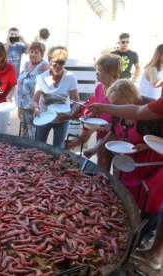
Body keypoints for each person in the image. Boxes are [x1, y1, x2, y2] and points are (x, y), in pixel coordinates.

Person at [88, 92, 163, 271]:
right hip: (137, 167)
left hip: (151, 168)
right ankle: (154, 254)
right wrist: (103, 106)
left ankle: (152, 251)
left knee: (155, 204)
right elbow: (137, 111)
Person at [67, 54, 123, 170]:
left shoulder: (120, 92)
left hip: (117, 140)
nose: (96, 73)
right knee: (102, 170)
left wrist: (110, 127)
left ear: (111, 73)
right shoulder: (99, 87)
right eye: (96, 70)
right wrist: (90, 115)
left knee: (118, 173)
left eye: (100, 71)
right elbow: (99, 110)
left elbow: (121, 123)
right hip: (101, 135)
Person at [32, 46, 80, 148]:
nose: (58, 66)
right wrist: (36, 109)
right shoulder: (42, 77)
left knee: (58, 147)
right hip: (44, 116)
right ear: (49, 60)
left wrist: (70, 115)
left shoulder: (70, 77)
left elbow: (76, 102)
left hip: (62, 118)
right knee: (39, 146)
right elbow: (35, 100)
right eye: (55, 62)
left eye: (62, 62)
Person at [17, 42, 50, 139]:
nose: (33, 54)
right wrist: (19, 106)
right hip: (23, 106)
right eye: (31, 52)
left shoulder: (44, 66)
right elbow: (20, 85)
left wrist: (36, 106)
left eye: (36, 52)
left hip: (35, 108)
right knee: (24, 135)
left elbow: (47, 88)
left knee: (34, 136)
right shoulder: (26, 64)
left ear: (42, 55)